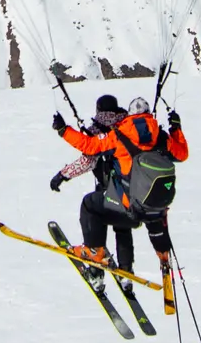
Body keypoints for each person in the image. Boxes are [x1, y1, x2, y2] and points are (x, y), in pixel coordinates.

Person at [51, 93, 187, 275]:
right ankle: (162, 251)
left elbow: (90, 146)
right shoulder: (161, 137)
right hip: (156, 208)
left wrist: (63, 130)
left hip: (130, 205)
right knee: (151, 211)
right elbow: (182, 154)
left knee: (90, 205)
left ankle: (94, 250)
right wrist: (176, 129)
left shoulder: (119, 135)